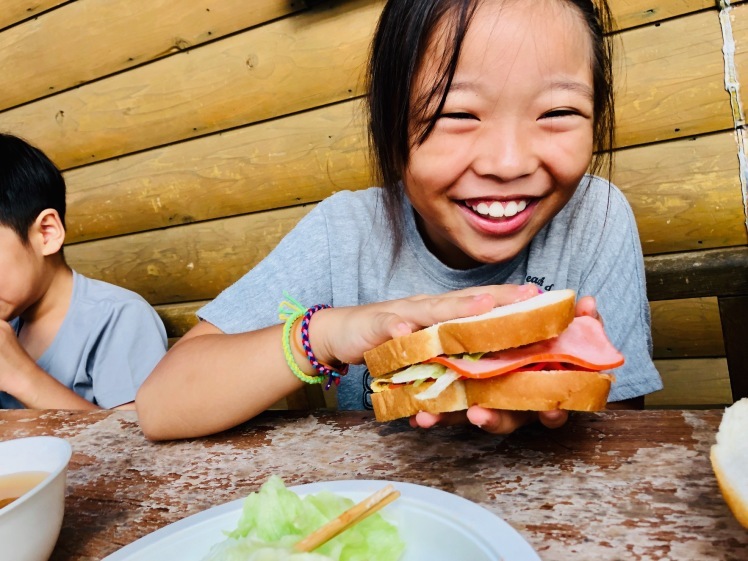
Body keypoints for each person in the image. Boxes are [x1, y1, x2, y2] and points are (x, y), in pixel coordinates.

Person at [137, 0, 662, 440]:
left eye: (557, 114)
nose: (509, 163)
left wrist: (543, 403)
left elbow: (619, 428)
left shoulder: (595, 215)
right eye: (456, 115)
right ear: (390, 126)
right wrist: (326, 333)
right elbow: (161, 406)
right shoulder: (345, 231)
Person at [0, 133, 168, 409]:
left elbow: (135, 444)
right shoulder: (11, 322)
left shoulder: (118, 318)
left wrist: (21, 377)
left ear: (46, 233)